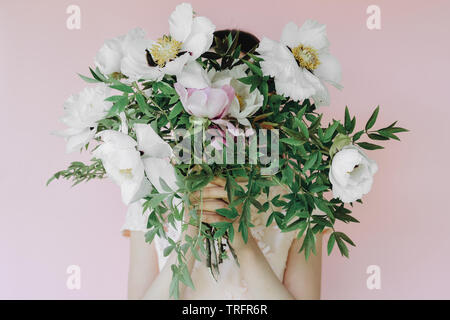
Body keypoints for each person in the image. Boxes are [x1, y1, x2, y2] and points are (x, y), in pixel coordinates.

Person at [122, 30, 327, 300]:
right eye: (215, 96)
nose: (226, 122)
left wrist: (242, 239)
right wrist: (189, 234)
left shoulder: (300, 196)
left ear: (270, 108)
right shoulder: (152, 188)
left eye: (240, 99)